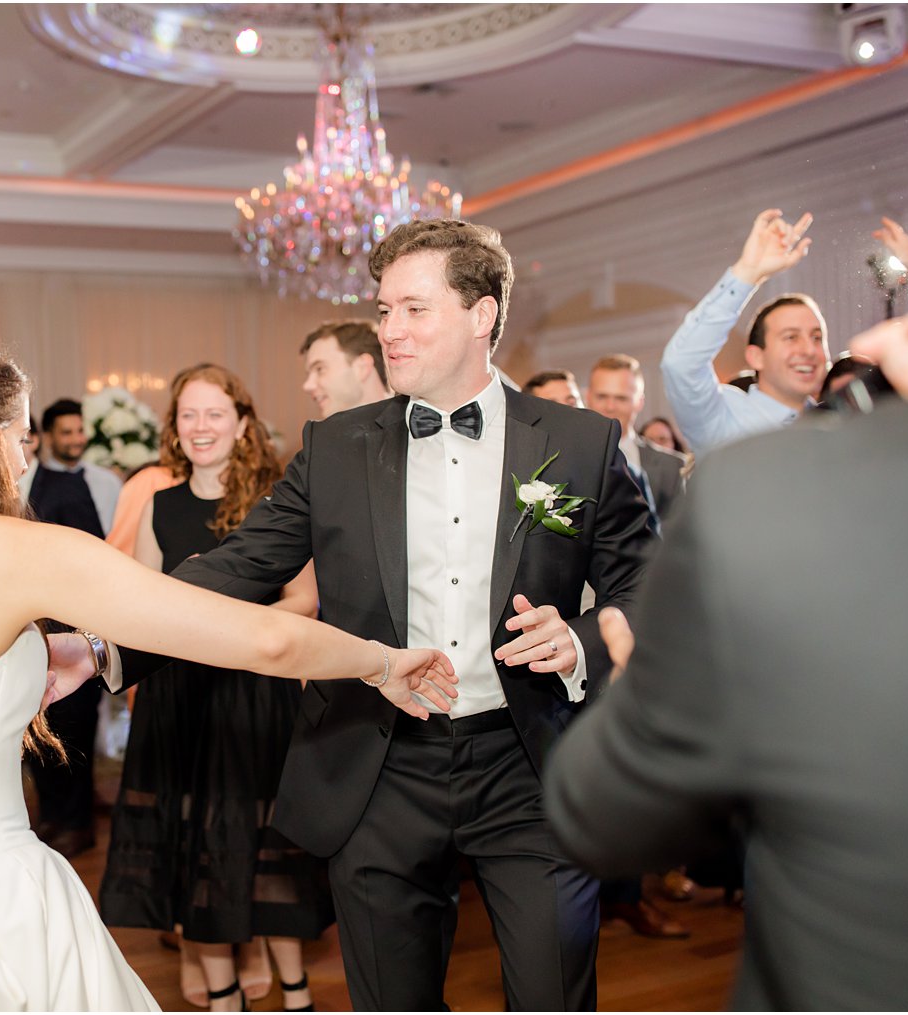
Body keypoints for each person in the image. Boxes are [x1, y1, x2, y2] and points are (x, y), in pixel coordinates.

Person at [0, 329, 456, 1011]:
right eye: (20, 434)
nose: (25, 455)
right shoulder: (19, 551)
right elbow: (265, 641)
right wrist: (380, 662)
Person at [544, 49, 908, 1010]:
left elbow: (600, 811)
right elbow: (684, 361)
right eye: (791, 337)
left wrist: (629, 671)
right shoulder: (736, 426)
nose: (813, 347)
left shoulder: (786, 495)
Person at [114, 220, 654, 1010]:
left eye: (412, 309)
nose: (387, 331)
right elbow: (239, 566)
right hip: (377, 762)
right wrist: (106, 640)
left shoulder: (579, 444)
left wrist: (576, 640)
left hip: (529, 760)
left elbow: (649, 590)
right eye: (382, 309)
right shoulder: (337, 446)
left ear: (482, 314)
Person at [102, 364, 332, 1013]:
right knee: (195, 846)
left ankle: (296, 995)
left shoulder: (276, 498)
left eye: (214, 414)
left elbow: (306, 599)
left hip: (256, 697)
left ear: (242, 422)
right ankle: (224, 995)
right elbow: (140, 604)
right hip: (180, 700)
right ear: (174, 428)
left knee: (268, 845)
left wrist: (226, 628)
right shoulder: (159, 503)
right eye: (187, 415)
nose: (200, 427)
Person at [661, 209, 829, 455]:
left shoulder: (840, 424)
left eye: (817, 338)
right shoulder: (724, 418)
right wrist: (747, 274)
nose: (809, 350)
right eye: (791, 337)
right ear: (755, 356)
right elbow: (681, 364)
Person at [585, 355, 689, 526]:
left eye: (621, 398)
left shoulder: (672, 467)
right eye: (602, 396)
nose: (610, 407)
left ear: (640, 402)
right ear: (588, 397)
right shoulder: (564, 457)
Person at [40, 398, 121, 536]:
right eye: (67, 433)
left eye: (80, 431)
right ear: (48, 438)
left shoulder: (108, 481)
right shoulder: (37, 484)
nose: (77, 440)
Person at [300, 319, 391, 418]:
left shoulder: (407, 430)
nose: (307, 386)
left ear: (362, 367)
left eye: (320, 369)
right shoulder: (327, 432)